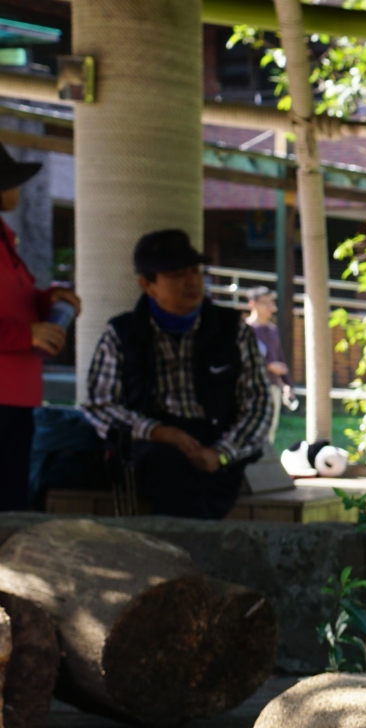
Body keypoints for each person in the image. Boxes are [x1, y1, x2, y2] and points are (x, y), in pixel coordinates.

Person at [81, 228, 275, 520]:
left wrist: (221, 453)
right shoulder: (122, 333)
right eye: (176, 275)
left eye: (195, 271)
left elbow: (259, 404)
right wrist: (157, 432)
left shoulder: (231, 329)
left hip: (216, 443)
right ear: (147, 284)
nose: (191, 282)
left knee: (203, 486)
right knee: (166, 466)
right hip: (150, 445)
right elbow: (99, 405)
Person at [0, 145, 78, 511]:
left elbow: (16, 300)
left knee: (13, 506)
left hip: (16, 395)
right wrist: (26, 335)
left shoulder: (6, 239)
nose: (17, 190)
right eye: (11, 181)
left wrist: (51, 301)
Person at [243, 286, 294, 441]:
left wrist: (287, 385)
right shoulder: (244, 329)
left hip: (273, 387)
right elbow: (241, 359)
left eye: (272, 303)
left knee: (270, 431)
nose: (271, 307)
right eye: (265, 303)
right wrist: (268, 365)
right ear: (252, 304)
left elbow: (280, 358)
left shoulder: (273, 330)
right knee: (251, 429)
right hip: (250, 388)